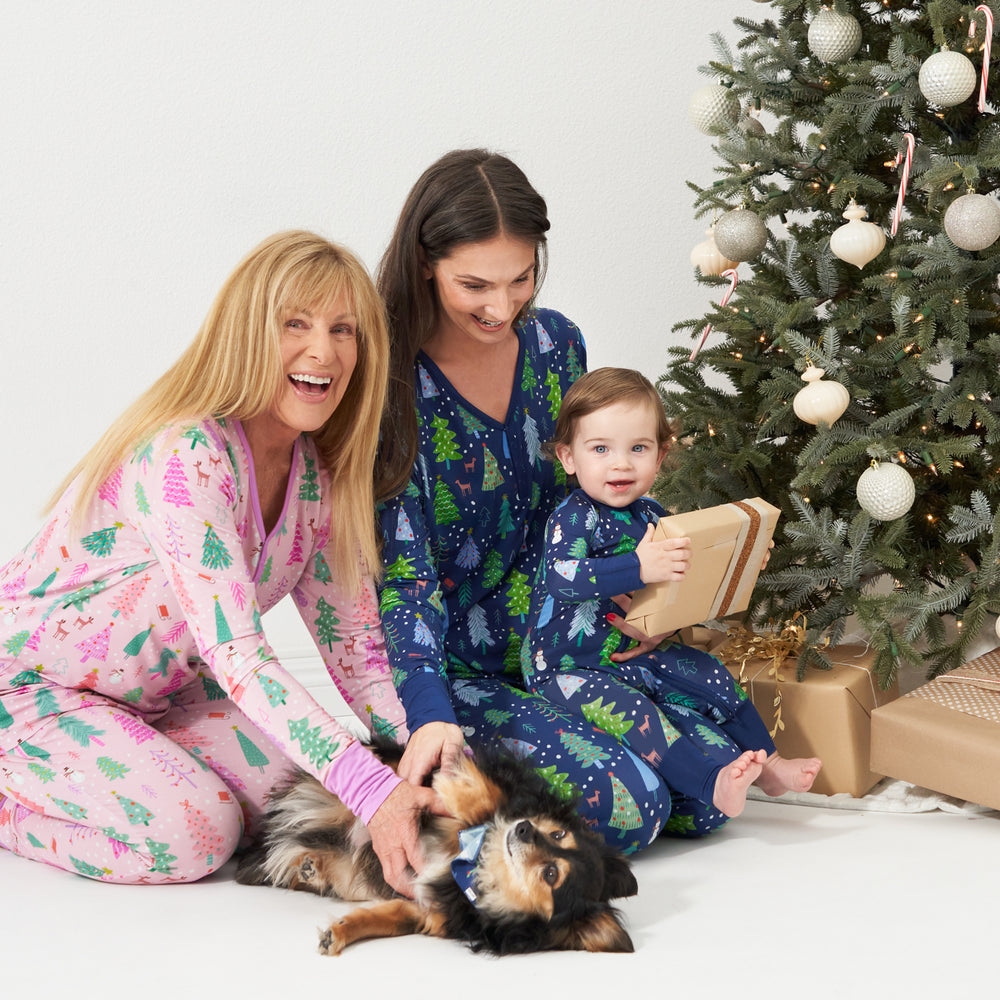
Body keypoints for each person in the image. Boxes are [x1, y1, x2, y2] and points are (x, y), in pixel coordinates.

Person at [0, 230, 442, 891]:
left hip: (162, 694)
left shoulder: (316, 477)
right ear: (249, 331)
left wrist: (423, 762)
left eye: (344, 330)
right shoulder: (186, 455)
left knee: (291, 800)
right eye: (296, 323)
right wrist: (372, 789)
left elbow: (353, 641)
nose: (324, 350)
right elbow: (240, 656)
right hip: (33, 692)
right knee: (198, 835)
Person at [373, 149, 704, 852]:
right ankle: (404, 780)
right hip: (454, 669)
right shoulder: (388, 382)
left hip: (567, 643)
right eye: (474, 285)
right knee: (636, 806)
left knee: (707, 792)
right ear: (423, 263)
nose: (501, 306)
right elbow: (405, 582)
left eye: (519, 278)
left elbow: (590, 505)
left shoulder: (556, 344)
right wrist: (428, 713)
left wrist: (639, 606)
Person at [523, 367, 822, 822]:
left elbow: (681, 583)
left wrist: (737, 562)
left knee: (710, 673)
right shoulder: (573, 517)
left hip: (635, 653)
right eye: (600, 449)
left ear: (660, 457)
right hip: (566, 666)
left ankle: (772, 766)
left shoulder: (653, 515)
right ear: (568, 457)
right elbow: (562, 576)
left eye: (637, 448)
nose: (621, 464)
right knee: (635, 711)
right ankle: (712, 784)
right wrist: (637, 567)